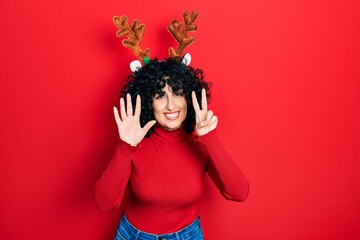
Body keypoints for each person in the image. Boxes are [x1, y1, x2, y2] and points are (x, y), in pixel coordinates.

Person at [95, 57, 249, 240]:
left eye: (177, 93)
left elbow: (239, 192)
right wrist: (125, 147)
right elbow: (104, 203)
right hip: (134, 236)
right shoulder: (134, 142)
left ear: (189, 98)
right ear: (147, 101)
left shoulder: (200, 143)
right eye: (160, 95)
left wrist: (210, 139)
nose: (170, 105)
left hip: (187, 235)